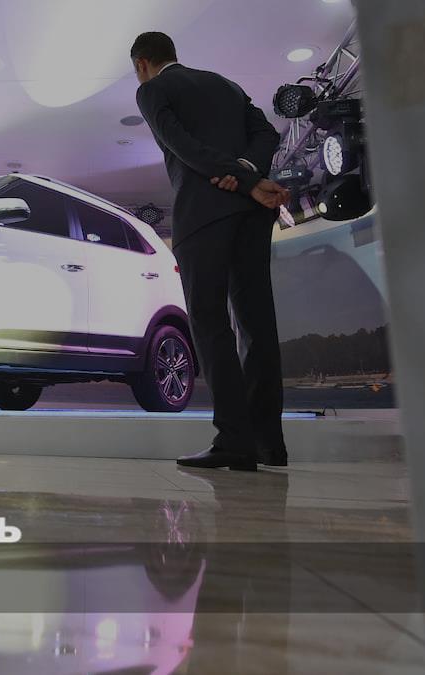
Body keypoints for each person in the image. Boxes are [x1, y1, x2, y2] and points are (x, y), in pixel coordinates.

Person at [131, 31, 289, 471]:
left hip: (203, 214)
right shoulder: (227, 86)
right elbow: (266, 133)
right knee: (257, 324)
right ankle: (268, 444)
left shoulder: (151, 90)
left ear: (142, 64)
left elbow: (180, 144)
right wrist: (249, 173)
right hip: (252, 214)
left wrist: (238, 178)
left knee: (209, 323)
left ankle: (234, 440)